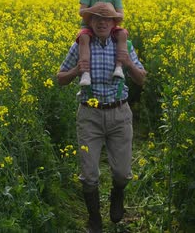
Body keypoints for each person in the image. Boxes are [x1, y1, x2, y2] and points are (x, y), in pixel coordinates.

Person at [57, 12, 147, 233]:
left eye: (107, 18)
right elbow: (60, 78)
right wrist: (76, 71)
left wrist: (128, 63)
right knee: (89, 176)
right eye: (97, 18)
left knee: (122, 173)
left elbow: (141, 78)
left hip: (119, 115)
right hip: (89, 116)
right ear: (90, 22)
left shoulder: (123, 45)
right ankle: (94, 219)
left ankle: (117, 194)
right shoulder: (80, 45)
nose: (102, 22)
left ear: (114, 22)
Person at [77, 0, 130, 87]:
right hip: (89, 27)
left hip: (108, 27)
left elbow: (120, 15)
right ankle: (85, 73)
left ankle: (118, 67)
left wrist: (110, 12)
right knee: (83, 37)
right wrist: (93, 9)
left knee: (123, 34)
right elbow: (81, 12)